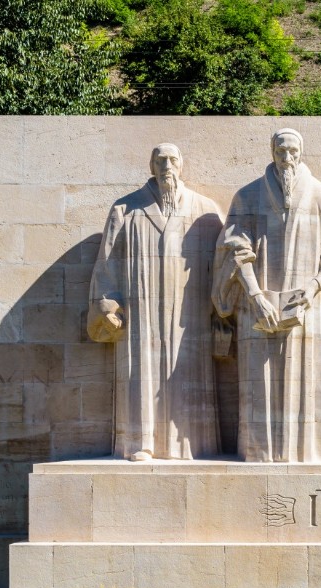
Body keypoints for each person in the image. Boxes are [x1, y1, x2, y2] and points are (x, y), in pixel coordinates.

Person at [212, 128, 321, 462]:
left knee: (309, 387)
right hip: (259, 308)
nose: (287, 158)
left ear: (302, 153)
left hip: (310, 310)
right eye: (281, 151)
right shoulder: (247, 197)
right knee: (260, 387)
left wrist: (312, 289)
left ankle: (309, 453)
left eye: (293, 151)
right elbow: (234, 250)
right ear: (272, 153)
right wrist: (254, 296)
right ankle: (261, 452)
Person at [87, 143, 222, 461]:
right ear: (151, 166)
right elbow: (107, 262)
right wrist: (108, 304)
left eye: (173, 160)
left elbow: (222, 265)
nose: (167, 166)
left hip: (189, 314)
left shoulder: (205, 209)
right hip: (140, 311)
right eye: (160, 160)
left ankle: (191, 443)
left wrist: (221, 311)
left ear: (182, 165)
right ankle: (140, 442)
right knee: (140, 372)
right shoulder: (126, 209)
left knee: (186, 369)